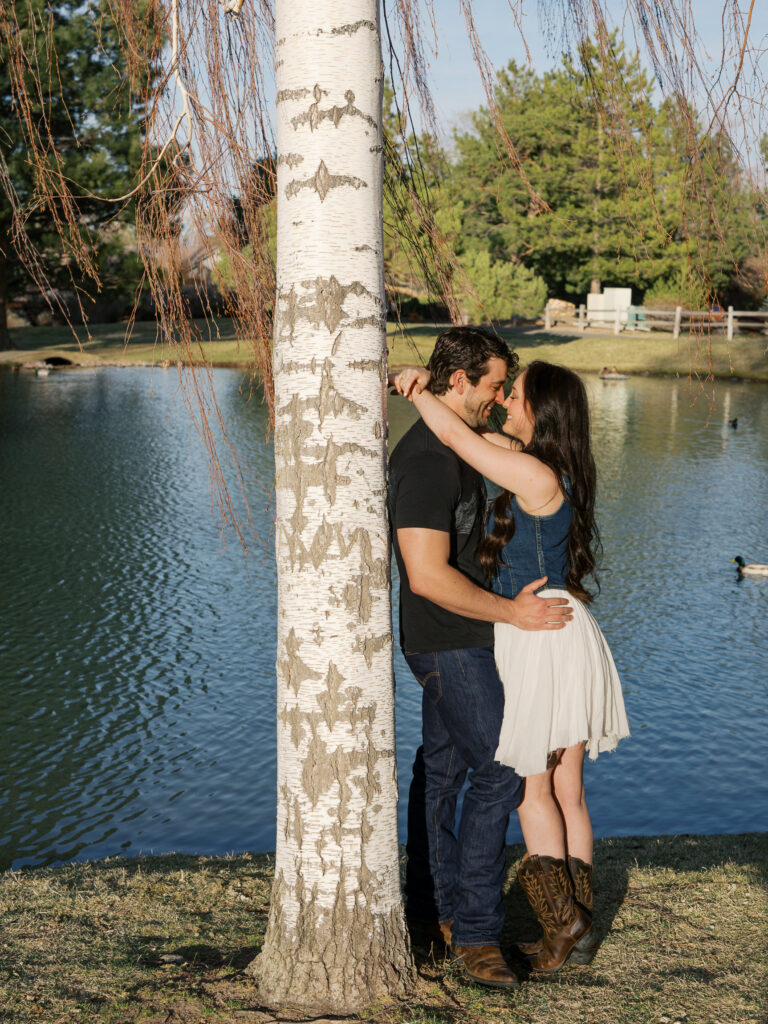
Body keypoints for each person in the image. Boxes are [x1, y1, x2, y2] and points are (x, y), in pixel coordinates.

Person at [393, 357, 630, 974]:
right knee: (568, 787)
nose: (504, 402)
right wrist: (447, 398)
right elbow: (474, 433)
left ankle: (562, 925)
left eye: (515, 394)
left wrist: (417, 390)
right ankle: (578, 933)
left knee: (529, 786)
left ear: (541, 410)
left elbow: (455, 436)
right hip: (567, 626)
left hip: (537, 633)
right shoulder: (551, 467)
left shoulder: (532, 472)